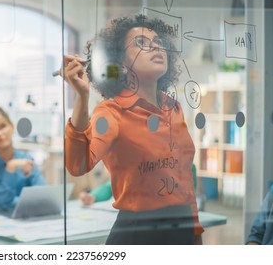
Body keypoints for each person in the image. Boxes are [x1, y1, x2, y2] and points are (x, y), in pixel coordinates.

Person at [62, 14, 204, 244]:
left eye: (158, 42)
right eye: (141, 43)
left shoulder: (173, 107)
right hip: (139, 234)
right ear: (121, 65)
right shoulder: (112, 111)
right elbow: (78, 165)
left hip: (181, 230)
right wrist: (82, 96)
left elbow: (185, 181)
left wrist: (195, 236)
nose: (155, 46)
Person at [0, 104, 46, 212]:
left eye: (2, 126)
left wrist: (21, 203)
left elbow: (43, 196)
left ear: (12, 126)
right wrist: (11, 167)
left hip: (20, 217)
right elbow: (0, 203)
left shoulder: (26, 159)